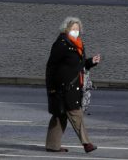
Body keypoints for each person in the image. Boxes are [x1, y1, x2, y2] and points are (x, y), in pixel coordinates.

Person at [45, 17, 101, 154]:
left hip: (74, 86)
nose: (76, 31)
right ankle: (86, 143)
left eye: (78, 29)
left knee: (60, 116)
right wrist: (52, 88)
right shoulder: (61, 45)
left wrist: (90, 62)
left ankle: (52, 145)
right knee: (76, 114)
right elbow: (51, 67)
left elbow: (78, 66)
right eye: (73, 29)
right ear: (66, 29)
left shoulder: (78, 45)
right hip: (63, 88)